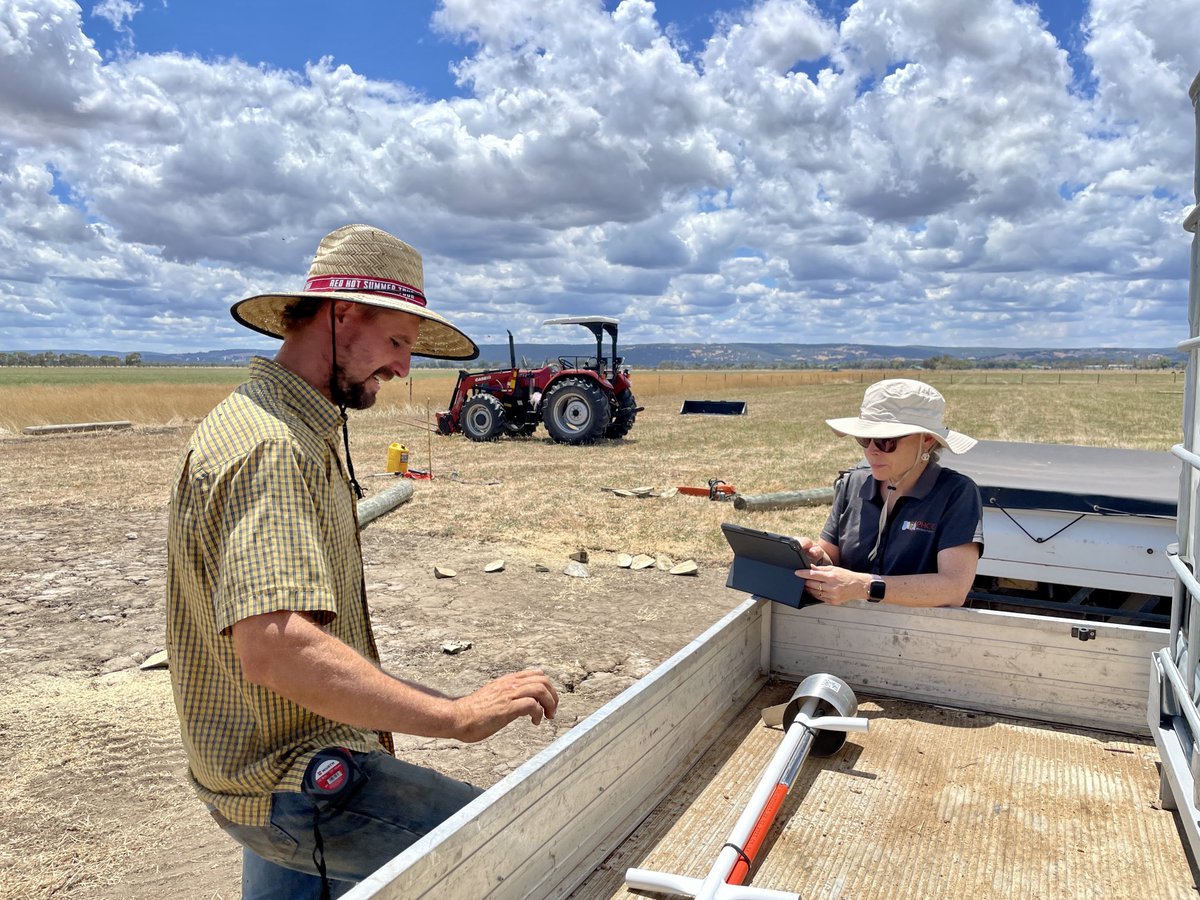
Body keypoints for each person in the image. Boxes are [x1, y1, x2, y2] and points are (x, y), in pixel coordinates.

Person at [166, 224, 559, 899]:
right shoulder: (273, 447)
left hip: (260, 773)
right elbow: (275, 648)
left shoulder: (272, 422)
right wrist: (454, 716)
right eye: (399, 342)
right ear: (341, 315)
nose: (405, 367)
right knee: (530, 851)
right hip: (294, 783)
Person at [797, 378, 983, 608]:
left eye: (886, 441)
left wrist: (863, 586)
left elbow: (954, 588)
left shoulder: (956, 493)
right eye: (865, 439)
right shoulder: (853, 483)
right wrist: (812, 558)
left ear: (926, 440)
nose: (872, 450)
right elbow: (831, 558)